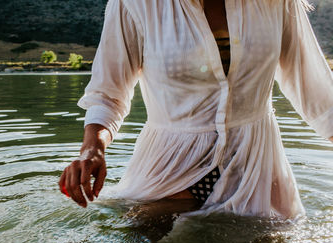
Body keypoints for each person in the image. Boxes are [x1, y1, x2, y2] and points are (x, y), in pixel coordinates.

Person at [59, 0, 333, 220]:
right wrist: (92, 149)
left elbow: (316, 89)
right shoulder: (135, 4)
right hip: (169, 172)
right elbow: (108, 94)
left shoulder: (277, 3)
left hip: (255, 172)